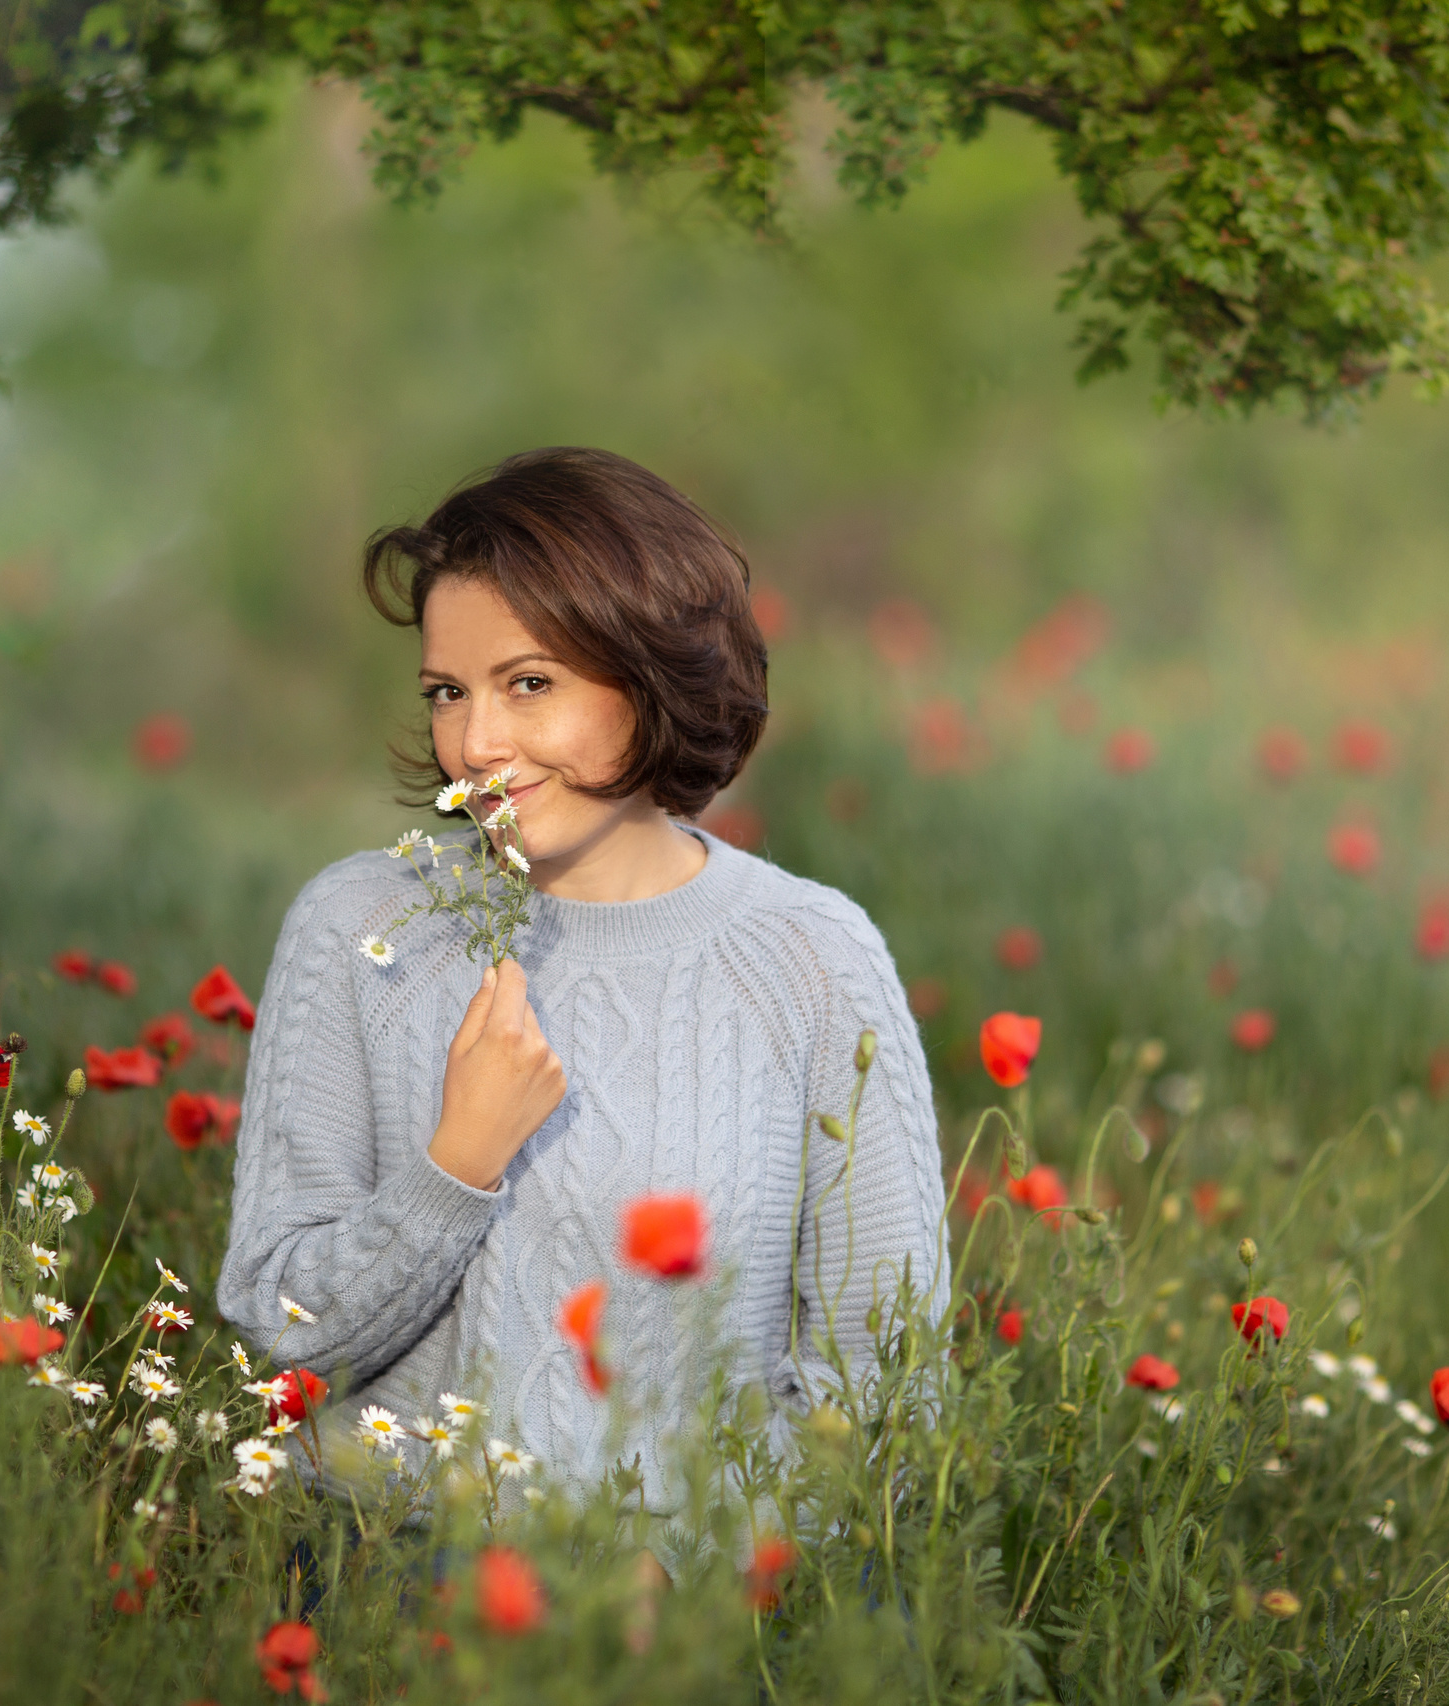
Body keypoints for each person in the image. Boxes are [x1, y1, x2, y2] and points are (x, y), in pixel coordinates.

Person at [216, 447, 947, 1501]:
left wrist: (697, 1578)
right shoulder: (361, 926)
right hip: (385, 1593)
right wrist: (457, 1162)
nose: (474, 743)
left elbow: (886, 1392)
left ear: (650, 673)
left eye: (529, 683)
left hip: (698, 1614)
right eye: (445, 691)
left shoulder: (810, 956)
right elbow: (282, 1337)